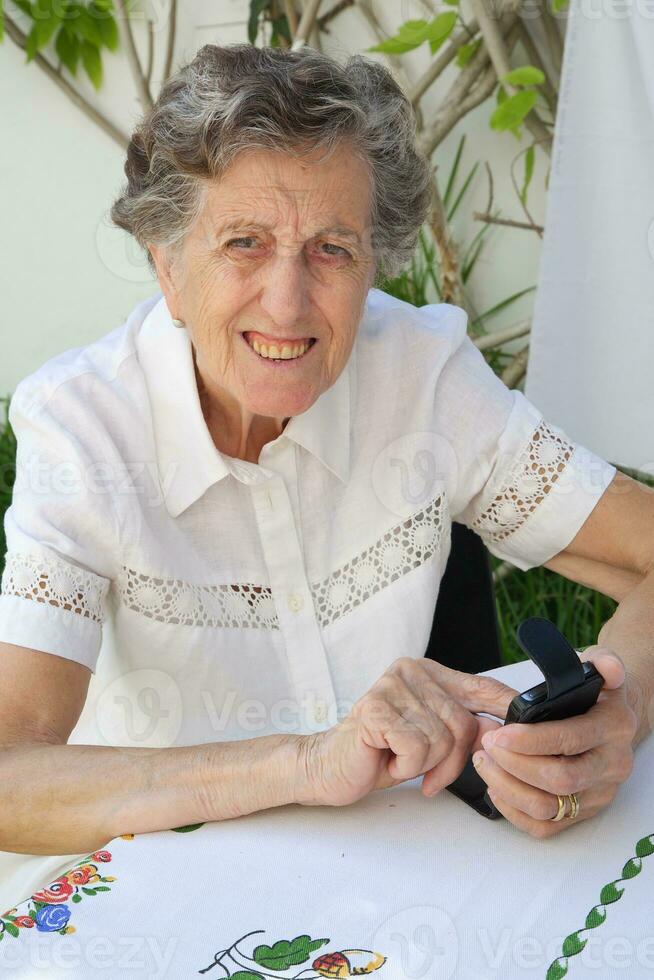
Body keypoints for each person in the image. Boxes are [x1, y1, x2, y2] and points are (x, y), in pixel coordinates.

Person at [0, 44, 652, 896]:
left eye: (331, 250)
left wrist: (622, 707)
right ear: (167, 267)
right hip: (159, 879)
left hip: (399, 874)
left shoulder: (421, 375)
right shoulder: (85, 430)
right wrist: (306, 762)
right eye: (243, 242)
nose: (287, 302)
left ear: (375, 261)